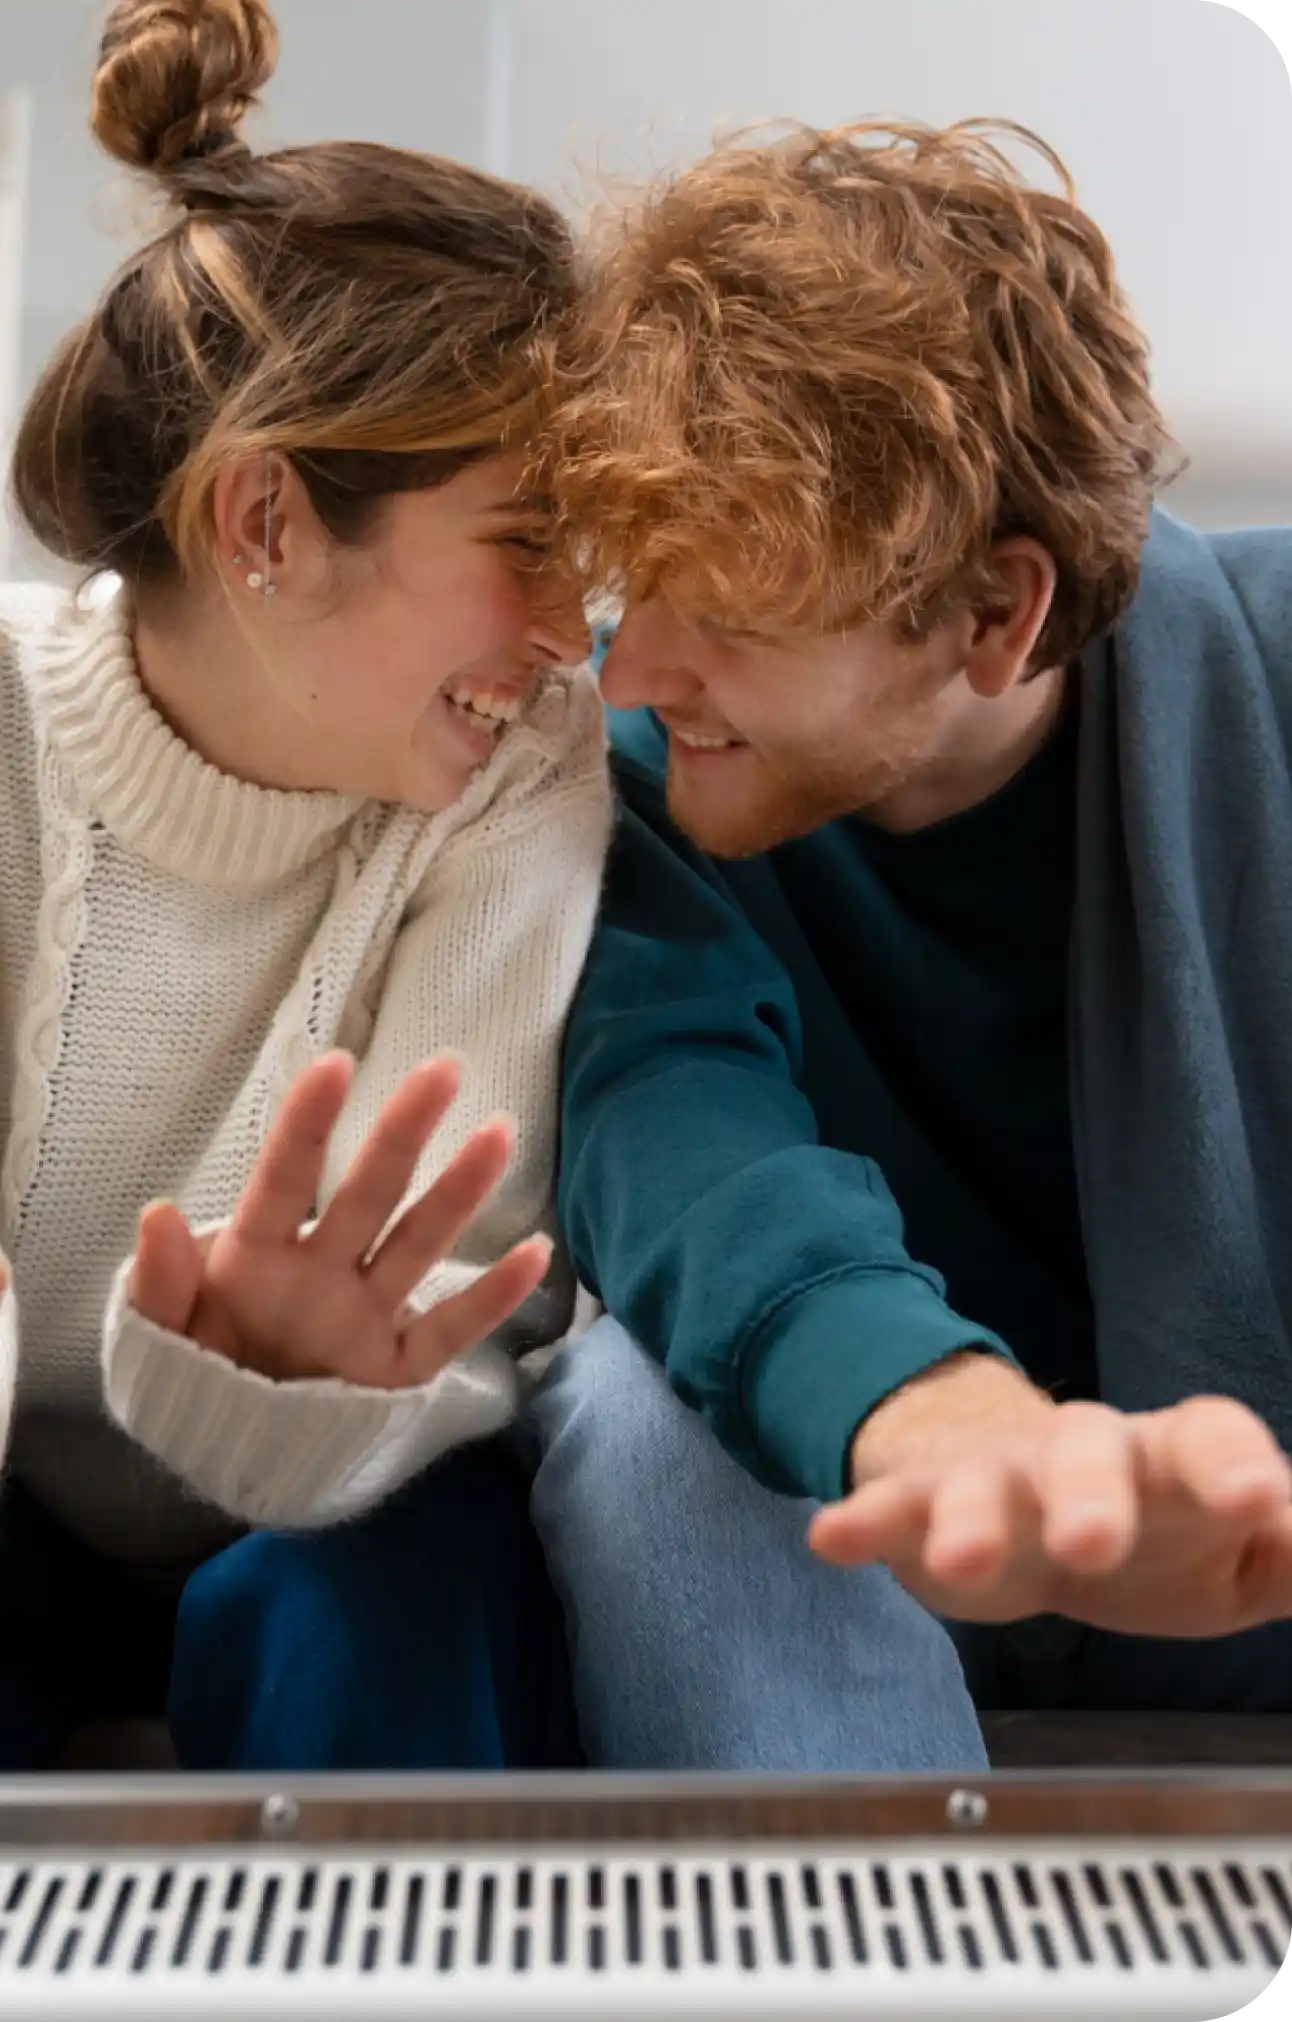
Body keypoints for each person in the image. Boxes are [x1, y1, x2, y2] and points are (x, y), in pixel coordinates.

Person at [0, 0, 611, 1776]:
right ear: (263, 524)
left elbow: (438, 1291)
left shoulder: (526, 759)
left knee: (403, 1590)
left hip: (355, 1519)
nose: (567, 628)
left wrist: (305, 1393)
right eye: (526, 543)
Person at [528, 118, 1292, 1771]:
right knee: (624, 1413)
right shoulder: (620, 800)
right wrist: (936, 1424)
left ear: (994, 614)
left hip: (1258, 1567)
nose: (635, 671)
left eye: (724, 614)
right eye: (631, 592)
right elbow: (673, 1133)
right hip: (884, 1575)